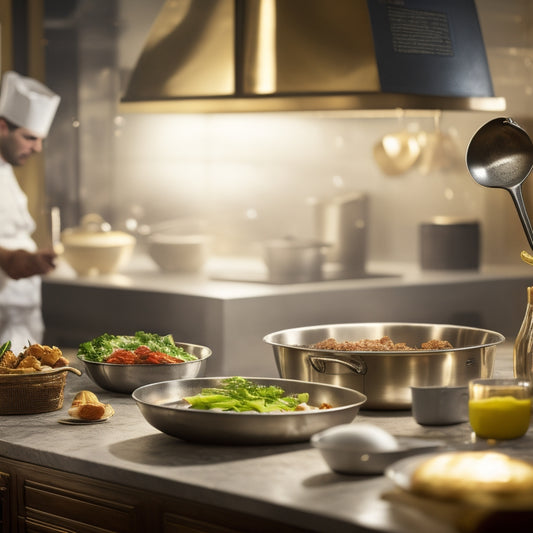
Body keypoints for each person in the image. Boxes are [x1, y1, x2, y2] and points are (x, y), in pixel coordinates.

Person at [0, 71, 60, 352]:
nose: (37, 148)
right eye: (30, 137)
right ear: (2, 127)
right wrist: (19, 260)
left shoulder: (7, 171)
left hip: (23, 316)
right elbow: (8, 257)